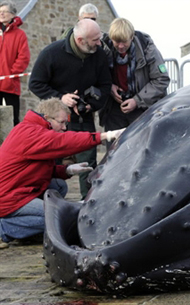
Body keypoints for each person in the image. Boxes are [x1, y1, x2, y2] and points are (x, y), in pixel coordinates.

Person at [0, 98, 124, 249]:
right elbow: (63, 142)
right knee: (59, 220)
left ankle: (26, 222)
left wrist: (67, 170)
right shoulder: (30, 133)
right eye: (62, 122)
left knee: (59, 186)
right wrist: (105, 136)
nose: (65, 128)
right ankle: (4, 229)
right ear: (47, 119)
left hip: (19, 189)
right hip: (8, 197)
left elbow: (36, 168)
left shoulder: (32, 128)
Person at [29, 19, 111, 199]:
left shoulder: (99, 55)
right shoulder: (51, 53)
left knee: (88, 165)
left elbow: (105, 85)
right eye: (95, 40)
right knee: (51, 164)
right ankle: (47, 203)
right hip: (54, 120)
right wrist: (61, 98)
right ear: (81, 40)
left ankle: (88, 203)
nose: (100, 43)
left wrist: (92, 105)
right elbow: (35, 83)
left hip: (84, 117)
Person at [100, 17, 170, 147]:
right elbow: (95, 75)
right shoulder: (103, 49)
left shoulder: (148, 50)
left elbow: (161, 79)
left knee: (141, 149)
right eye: (116, 42)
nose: (120, 46)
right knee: (113, 150)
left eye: (124, 42)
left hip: (142, 108)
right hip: (113, 109)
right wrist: (109, 87)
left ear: (131, 37)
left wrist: (137, 101)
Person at [0, 0, 30, 125]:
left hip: (10, 85)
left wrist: (11, 74)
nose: (1, 14)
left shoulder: (20, 35)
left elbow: (24, 57)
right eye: (0, 12)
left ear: (13, 14)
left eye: (4, 12)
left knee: (13, 120)